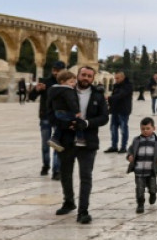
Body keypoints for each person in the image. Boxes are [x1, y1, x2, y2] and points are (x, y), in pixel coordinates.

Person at [54, 65, 109, 225]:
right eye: (83, 75)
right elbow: (52, 112)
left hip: (88, 142)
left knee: (86, 176)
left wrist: (86, 123)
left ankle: (83, 211)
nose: (85, 78)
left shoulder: (97, 95)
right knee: (66, 173)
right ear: (77, 75)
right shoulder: (65, 91)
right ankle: (69, 201)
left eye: (89, 76)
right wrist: (66, 124)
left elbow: (104, 117)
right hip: (67, 140)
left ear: (93, 78)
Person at [29, 61, 63, 179]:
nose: (56, 72)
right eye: (54, 69)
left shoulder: (65, 84)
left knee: (57, 144)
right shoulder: (45, 82)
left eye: (58, 70)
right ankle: (46, 165)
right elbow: (31, 97)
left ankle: (56, 170)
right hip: (46, 117)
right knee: (45, 144)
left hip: (59, 118)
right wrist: (36, 90)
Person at [126, 117, 157, 214]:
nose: (145, 131)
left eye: (148, 128)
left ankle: (153, 194)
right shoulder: (136, 140)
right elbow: (130, 150)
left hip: (151, 170)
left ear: (154, 128)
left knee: (152, 187)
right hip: (139, 170)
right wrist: (129, 156)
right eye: (143, 129)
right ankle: (140, 204)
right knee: (139, 188)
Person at [47, 70, 86, 151]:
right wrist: (77, 111)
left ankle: (55, 139)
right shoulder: (67, 90)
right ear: (62, 82)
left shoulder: (54, 90)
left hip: (57, 112)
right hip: (66, 111)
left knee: (61, 126)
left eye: (74, 82)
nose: (74, 84)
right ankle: (80, 139)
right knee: (78, 121)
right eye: (71, 82)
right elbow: (71, 101)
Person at [105, 71, 133, 154]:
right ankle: (114, 146)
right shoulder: (116, 86)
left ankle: (123, 147)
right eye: (115, 78)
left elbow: (121, 95)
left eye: (117, 78)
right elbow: (115, 96)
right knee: (113, 129)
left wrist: (109, 98)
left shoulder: (128, 86)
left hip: (123, 110)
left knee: (123, 129)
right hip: (115, 110)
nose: (116, 80)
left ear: (122, 77)